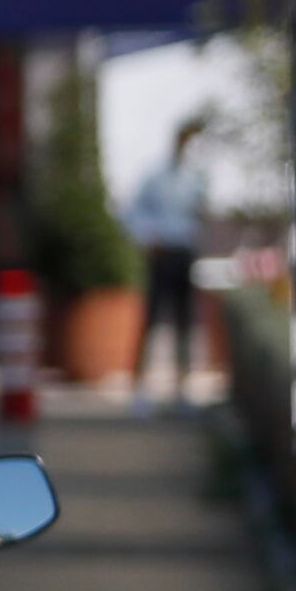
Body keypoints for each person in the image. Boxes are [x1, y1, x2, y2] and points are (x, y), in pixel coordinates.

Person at [125, 133, 210, 399]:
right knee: (151, 318)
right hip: (162, 253)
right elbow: (133, 210)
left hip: (184, 252)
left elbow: (200, 211)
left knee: (185, 321)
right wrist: (149, 236)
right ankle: (140, 388)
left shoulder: (194, 177)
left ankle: (182, 390)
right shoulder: (156, 176)